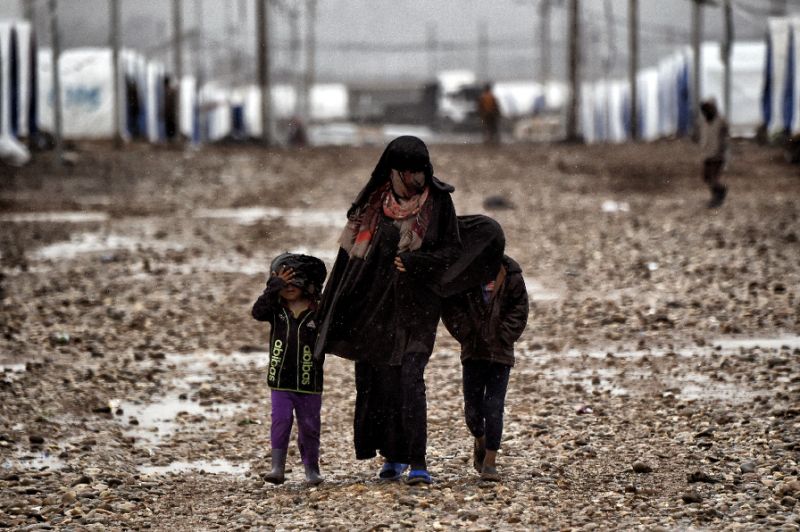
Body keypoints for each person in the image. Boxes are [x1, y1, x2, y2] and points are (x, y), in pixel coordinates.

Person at [314, 136, 461, 485]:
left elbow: (453, 252)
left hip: (417, 308)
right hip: (372, 309)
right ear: (394, 171)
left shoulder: (439, 202)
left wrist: (417, 262)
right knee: (379, 383)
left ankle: (419, 462)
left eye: (421, 170)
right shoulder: (372, 203)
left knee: (410, 378)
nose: (417, 179)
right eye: (409, 172)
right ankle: (392, 456)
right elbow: (347, 261)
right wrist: (327, 311)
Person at [440, 215, 529, 482]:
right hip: (473, 352)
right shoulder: (463, 276)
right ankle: (479, 439)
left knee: (494, 406)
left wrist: (504, 335)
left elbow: (520, 309)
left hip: (501, 354)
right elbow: (450, 309)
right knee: (473, 411)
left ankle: (490, 459)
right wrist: (467, 334)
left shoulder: (511, 275)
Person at [252, 252, 328, 486]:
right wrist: (272, 287)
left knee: (309, 426)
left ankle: (311, 468)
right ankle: (277, 466)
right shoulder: (275, 310)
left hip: (309, 382)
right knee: (281, 420)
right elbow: (257, 312)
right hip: (280, 381)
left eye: (296, 282)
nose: (290, 288)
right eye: (284, 284)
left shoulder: (319, 311)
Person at [699, 99, 730, 208]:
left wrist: (723, 152)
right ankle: (719, 192)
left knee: (713, 178)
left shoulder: (720, 121)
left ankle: (717, 197)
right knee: (706, 177)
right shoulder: (704, 122)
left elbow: (726, 137)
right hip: (707, 154)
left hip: (717, 156)